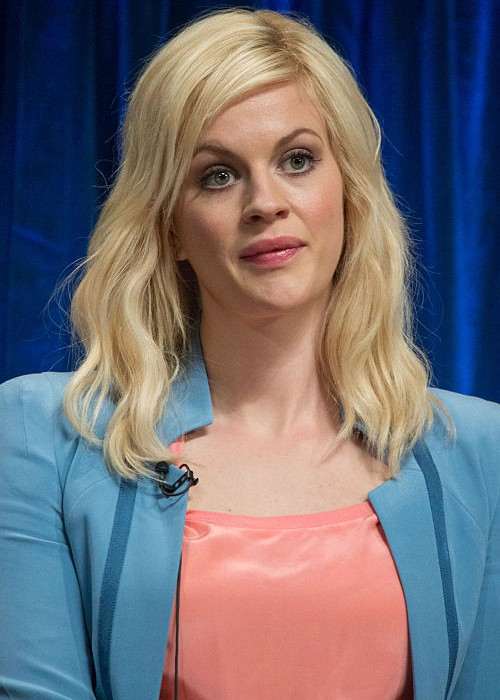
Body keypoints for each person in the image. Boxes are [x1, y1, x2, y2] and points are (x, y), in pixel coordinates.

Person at [0, 7, 498, 700]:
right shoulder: (44, 436)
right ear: (168, 226)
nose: (266, 202)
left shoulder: (479, 450)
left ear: (348, 194)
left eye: (297, 160)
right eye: (217, 175)